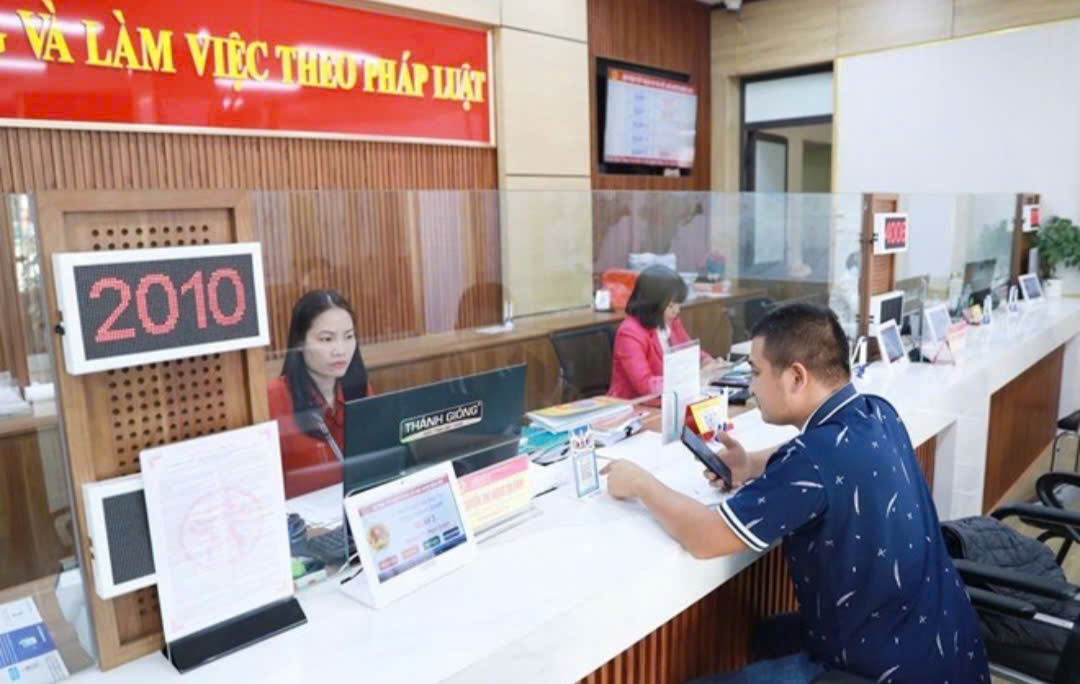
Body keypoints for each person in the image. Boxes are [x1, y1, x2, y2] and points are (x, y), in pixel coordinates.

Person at [602, 303, 989, 683]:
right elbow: (831, 458)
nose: (751, 387)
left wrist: (640, 483)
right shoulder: (876, 411)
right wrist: (751, 464)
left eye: (755, 373)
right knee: (768, 635)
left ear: (796, 377)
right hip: (945, 649)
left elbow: (706, 536)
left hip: (881, 667)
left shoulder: (812, 460)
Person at [268, 289, 371, 499]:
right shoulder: (272, 399)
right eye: (326, 339)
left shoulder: (359, 389)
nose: (340, 350)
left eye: (349, 337)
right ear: (300, 343)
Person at [608, 265, 715, 399]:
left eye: (678, 304)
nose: (677, 310)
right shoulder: (629, 333)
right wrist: (692, 378)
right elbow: (645, 385)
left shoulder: (672, 320)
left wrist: (707, 361)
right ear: (652, 303)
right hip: (635, 406)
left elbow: (688, 348)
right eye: (671, 305)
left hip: (669, 400)